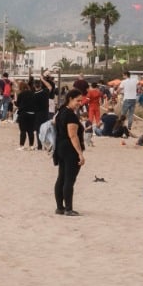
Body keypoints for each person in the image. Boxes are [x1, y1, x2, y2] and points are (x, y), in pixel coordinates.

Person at [53, 86, 86, 215]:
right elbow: (73, 135)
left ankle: (60, 207)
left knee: (61, 177)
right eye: (77, 101)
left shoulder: (61, 110)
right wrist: (80, 154)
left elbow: (53, 122)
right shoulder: (70, 115)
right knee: (69, 179)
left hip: (60, 147)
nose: (79, 104)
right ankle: (68, 208)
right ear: (70, 99)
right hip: (69, 149)